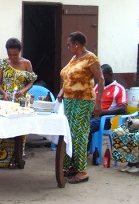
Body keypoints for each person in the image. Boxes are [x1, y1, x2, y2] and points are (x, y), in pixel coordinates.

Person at [57, 31, 104, 184]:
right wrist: (61, 92)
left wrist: (99, 102)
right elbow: (68, 77)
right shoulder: (74, 58)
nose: (68, 47)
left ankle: (82, 172)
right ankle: (72, 166)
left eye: (69, 45)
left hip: (84, 101)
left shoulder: (90, 58)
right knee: (69, 133)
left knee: (80, 134)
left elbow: (101, 80)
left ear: (77, 44)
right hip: (69, 101)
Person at [0, 38, 37, 169]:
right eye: (10, 54)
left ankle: (17, 159)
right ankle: (0, 161)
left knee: (20, 131)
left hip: (21, 102)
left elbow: (31, 82)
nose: (13, 57)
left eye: (15, 54)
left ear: (19, 52)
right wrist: (4, 93)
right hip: (7, 102)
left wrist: (22, 91)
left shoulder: (27, 63)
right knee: (4, 130)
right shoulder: (2, 63)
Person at [88, 64, 127, 148]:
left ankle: (84, 152)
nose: (100, 78)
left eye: (102, 75)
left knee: (87, 126)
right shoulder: (96, 87)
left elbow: (123, 109)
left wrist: (102, 112)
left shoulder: (118, 88)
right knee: (78, 124)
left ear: (110, 75)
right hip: (93, 116)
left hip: (107, 119)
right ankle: (80, 151)